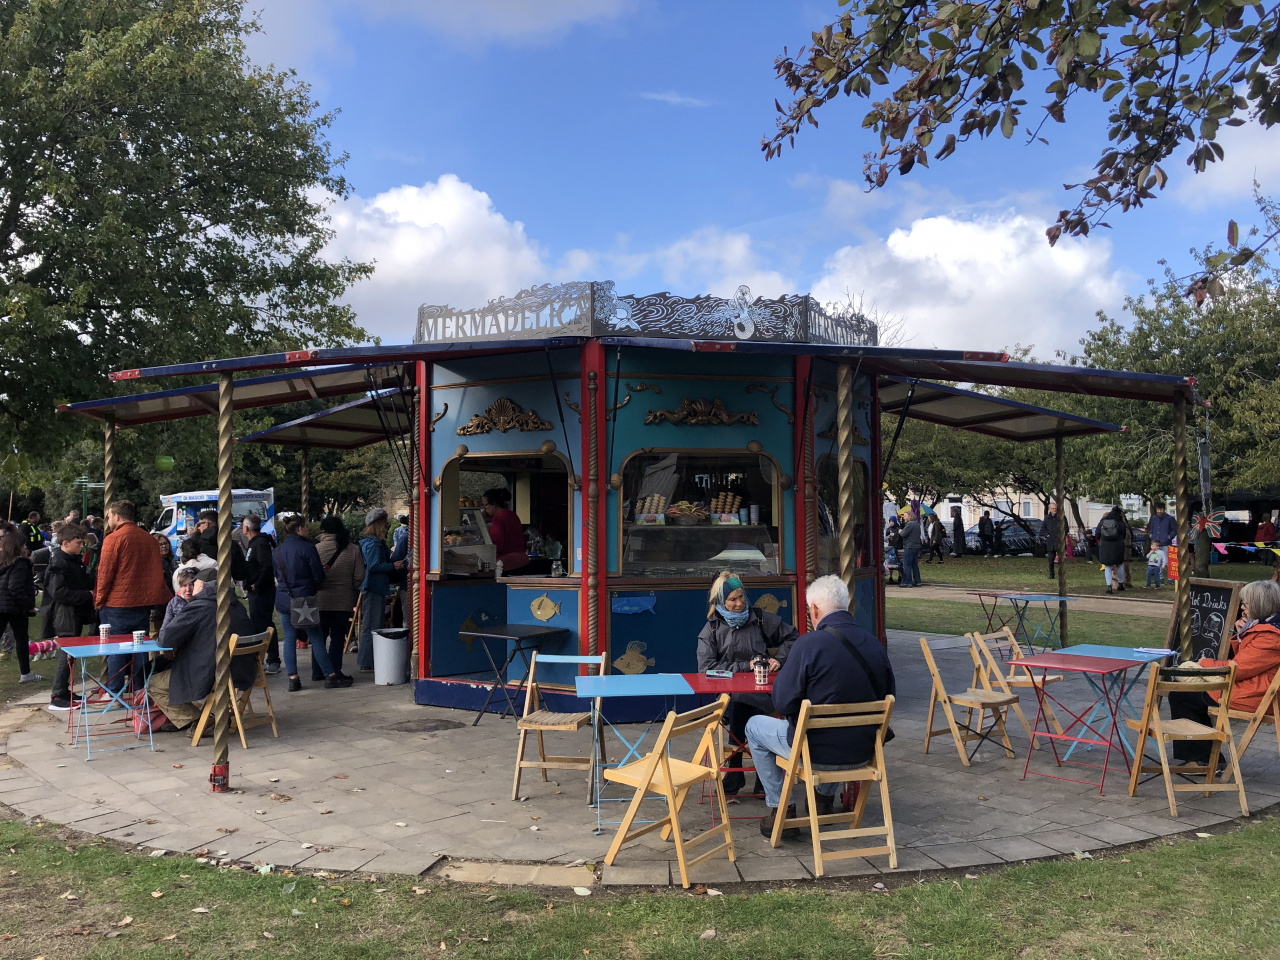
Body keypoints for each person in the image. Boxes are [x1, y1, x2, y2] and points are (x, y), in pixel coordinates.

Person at [745, 575, 895, 839]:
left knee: (754, 726)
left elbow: (781, 702)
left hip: (814, 752)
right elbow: (889, 693)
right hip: (862, 752)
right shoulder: (874, 643)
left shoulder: (809, 644)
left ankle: (781, 808)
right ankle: (824, 801)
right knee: (839, 724)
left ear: (814, 609)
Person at [696, 572, 798, 795]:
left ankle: (737, 772)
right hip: (730, 695)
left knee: (746, 705)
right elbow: (706, 669)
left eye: (741, 596)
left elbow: (793, 637)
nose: (739, 603)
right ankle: (760, 774)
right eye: (732, 599)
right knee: (738, 701)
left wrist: (778, 659)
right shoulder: (711, 629)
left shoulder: (759, 618)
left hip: (763, 690)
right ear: (721, 601)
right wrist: (746, 666)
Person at [1168, 580, 1280, 764]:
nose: (1243, 608)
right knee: (1186, 693)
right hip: (1255, 690)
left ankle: (1204, 760)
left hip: (1255, 696)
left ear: (1260, 604)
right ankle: (1206, 758)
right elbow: (1249, 663)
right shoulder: (1267, 629)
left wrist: (1204, 663)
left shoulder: (1271, 636)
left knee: (1182, 695)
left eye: (1246, 603)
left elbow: (1236, 669)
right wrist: (1241, 635)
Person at [150, 576, 257, 730]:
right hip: (242, 670)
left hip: (211, 674)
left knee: (154, 684)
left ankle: (200, 719)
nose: (192, 588)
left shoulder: (201, 606)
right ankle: (202, 717)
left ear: (203, 585)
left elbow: (164, 639)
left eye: (194, 583)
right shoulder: (236, 604)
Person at [94, 500, 169, 692]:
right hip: (143, 601)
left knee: (116, 647)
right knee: (140, 646)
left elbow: (105, 573)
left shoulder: (114, 538)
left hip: (118, 602)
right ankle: (139, 687)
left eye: (109, 516)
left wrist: (99, 599)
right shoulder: (149, 539)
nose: (108, 519)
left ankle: (114, 689)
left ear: (117, 516)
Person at [275, 515, 351, 691]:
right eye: (306, 527)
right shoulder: (307, 548)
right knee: (316, 637)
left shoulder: (278, 550)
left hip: (284, 598)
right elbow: (318, 575)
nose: (309, 530)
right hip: (304, 599)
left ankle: (293, 678)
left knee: (289, 637)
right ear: (300, 528)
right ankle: (330, 675)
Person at [41, 524, 97, 710]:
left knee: (70, 655)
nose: (82, 546)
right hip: (65, 615)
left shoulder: (73, 560)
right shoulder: (59, 562)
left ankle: (64, 690)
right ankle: (57, 695)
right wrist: (86, 595)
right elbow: (58, 592)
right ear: (65, 543)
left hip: (75, 613)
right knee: (65, 655)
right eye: (78, 543)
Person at [315, 516, 364, 681]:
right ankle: (334, 670)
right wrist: (350, 585)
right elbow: (359, 576)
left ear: (323, 530)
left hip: (320, 599)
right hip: (343, 599)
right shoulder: (353, 549)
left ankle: (318, 671)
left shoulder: (316, 549)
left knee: (319, 637)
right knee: (337, 637)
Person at [358, 508, 404, 673]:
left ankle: (368, 659)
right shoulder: (374, 544)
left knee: (373, 623)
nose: (387, 525)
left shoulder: (371, 542)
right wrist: (392, 566)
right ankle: (366, 660)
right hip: (373, 587)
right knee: (372, 623)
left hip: (374, 586)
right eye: (384, 521)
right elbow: (373, 566)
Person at [0, 524, 40, 684]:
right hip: (15, 607)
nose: (26, 548)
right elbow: (15, 587)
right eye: (23, 545)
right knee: (21, 639)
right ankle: (25, 673)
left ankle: (26, 674)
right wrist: (29, 605)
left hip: (4, 605)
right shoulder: (21, 564)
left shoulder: (4, 563)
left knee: (21, 638)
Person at [240, 514, 279, 672]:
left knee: (264, 624)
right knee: (258, 623)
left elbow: (266, 566)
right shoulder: (254, 544)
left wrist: (257, 584)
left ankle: (272, 658)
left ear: (247, 528)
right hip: (257, 590)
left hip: (262, 591)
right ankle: (261, 658)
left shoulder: (260, 543)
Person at [480, 487, 529, 574]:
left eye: (485, 505)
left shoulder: (499, 518)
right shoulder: (511, 514)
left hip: (507, 561)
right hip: (521, 559)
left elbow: (496, 545)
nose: (484, 508)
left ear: (494, 504)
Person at [191, 509, 249, 581]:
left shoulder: (196, 543)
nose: (199, 527)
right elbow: (240, 573)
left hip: (201, 583)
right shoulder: (232, 544)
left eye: (199, 524)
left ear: (206, 524)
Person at [1096, 505, 1128, 594]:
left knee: (1107, 566)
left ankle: (1109, 586)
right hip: (1118, 546)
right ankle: (1120, 584)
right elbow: (1124, 535)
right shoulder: (1120, 522)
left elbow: (1097, 533)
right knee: (1119, 565)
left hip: (1105, 546)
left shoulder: (1103, 521)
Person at [1148, 502, 1178, 566]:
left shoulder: (1170, 518)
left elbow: (1174, 530)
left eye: (1161, 509)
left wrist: (1168, 537)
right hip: (1155, 544)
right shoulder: (1154, 518)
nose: (1159, 511)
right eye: (1158, 510)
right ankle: (1158, 575)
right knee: (1155, 562)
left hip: (1165, 544)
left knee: (1165, 562)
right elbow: (1152, 528)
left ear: (1164, 509)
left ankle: (1163, 574)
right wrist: (1151, 535)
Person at [899, 512, 922, 587]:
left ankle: (908, 582)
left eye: (905, 516)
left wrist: (900, 531)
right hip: (916, 546)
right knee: (914, 564)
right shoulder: (917, 524)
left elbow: (903, 534)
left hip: (909, 546)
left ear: (909, 517)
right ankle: (918, 581)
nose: (904, 517)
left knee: (907, 564)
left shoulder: (910, 524)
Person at [1040, 502, 1061, 580]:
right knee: (1051, 559)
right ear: (1049, 509)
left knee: (1060, 560)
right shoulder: (1047, 518)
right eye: (1053, 508)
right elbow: (1043, 529)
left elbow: (1065, 528)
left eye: (1055, 508)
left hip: (1059, 542)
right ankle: (1051, 574)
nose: (1054, 510)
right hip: (1050, 542)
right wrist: (1047, 535)